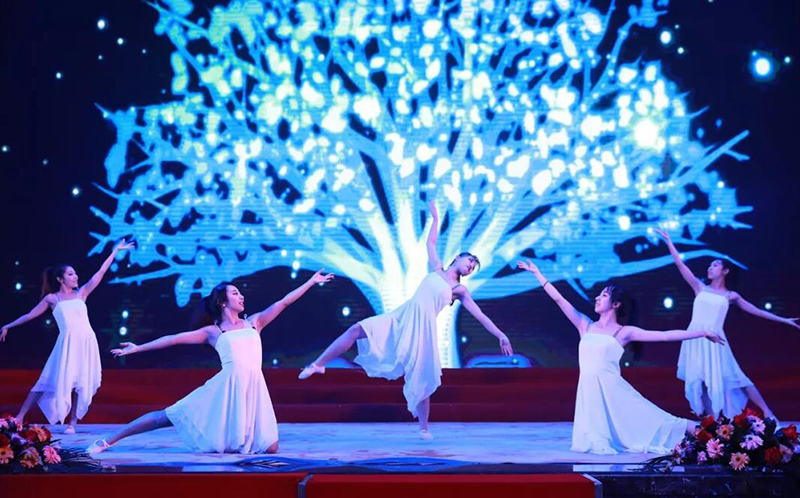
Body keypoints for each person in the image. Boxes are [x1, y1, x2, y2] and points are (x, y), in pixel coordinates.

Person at [299, 202, 514, 440]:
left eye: (473, 267)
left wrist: (501, 335)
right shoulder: (437, 269)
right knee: (356, 330)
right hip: (401, 318)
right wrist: (435, 219)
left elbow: (480, 315)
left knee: (423, 376)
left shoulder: (459, 290)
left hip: (423, 331)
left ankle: (424, 428)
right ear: (457, 258)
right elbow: (430, 243)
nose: (471, 266)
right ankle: (318, 365)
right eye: (470, 261)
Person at [87, 270, 334, 455]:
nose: (241, 296)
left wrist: (311, 282)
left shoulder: (254, 322)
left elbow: (284, 302)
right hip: (224, 389)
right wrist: (139, 347)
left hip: (253, 388)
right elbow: (173, 339)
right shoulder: (213, 332)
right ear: (222, 302)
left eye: (240, 292)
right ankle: (109, 439)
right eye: (235, 293)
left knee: (271, 448)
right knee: (167, 416)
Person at [517, 259, 724, 455]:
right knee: (603, 438)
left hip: (615, 390)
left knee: (656, 419)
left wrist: (703, 332)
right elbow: (559, 299)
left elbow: (665, 335)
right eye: (599, 295)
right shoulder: (585, 325)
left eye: (604, 295)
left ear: (616, 304)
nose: (597, 298)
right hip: (591, 392)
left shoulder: (624, 332)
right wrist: (538, 274)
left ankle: (719, 437)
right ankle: (714, 438)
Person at [655, 228, 799, 419]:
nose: (710, 268)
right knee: (701, 381)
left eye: (715, 265)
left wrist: (784, 320)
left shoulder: (731, 296)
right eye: (710, 265)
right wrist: (669, 242)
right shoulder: (700, 287)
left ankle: (767, 411)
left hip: (717, 341)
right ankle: (710, 422)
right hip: (695, 338)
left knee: (737, 376)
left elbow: (757, 311)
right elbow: (680, 265)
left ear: (725, 271)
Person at [1, 240, 135, 433]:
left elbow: (101, 272)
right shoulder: (52, 299)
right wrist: (8, 325)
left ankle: (73, 423)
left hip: (86, 342)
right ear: (60, 279)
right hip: (66, 344)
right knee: (45, 380)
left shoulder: (82, 294)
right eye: (71, 274)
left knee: (81, 382)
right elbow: (30, 315)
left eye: (75, 273)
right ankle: (19, 418)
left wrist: (115, 251)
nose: (76, 276)